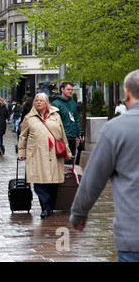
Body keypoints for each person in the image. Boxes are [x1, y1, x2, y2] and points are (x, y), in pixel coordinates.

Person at [70, 70, 139, 262]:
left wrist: (79, 212)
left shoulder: (115, 129)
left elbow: (93, 178)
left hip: (133, 236)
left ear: (126, 94)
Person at [18, 92, 71, 218]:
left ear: (46, 102)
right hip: (37, 155)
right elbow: (23, 136)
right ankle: (45, 208)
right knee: (39, 182)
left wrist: (67, 151)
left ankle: (50, 206)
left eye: (41, 100)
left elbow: (62, 135)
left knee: (53, 183)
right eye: (36, 100)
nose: (38, 102)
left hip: (54, 155)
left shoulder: (56, 116)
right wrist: (21, 152)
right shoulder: (29, 118)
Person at [51, 82, 84, 161]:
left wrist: (79, 133)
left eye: (72, 90)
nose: (70, 91)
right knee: (62, 161)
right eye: (68, 89)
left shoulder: (72, 103)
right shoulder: (55, 104)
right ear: (62, 89)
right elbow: (54, 122)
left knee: (71, 160)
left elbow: (76, 118)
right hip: (62, 137)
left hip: (72, 136)